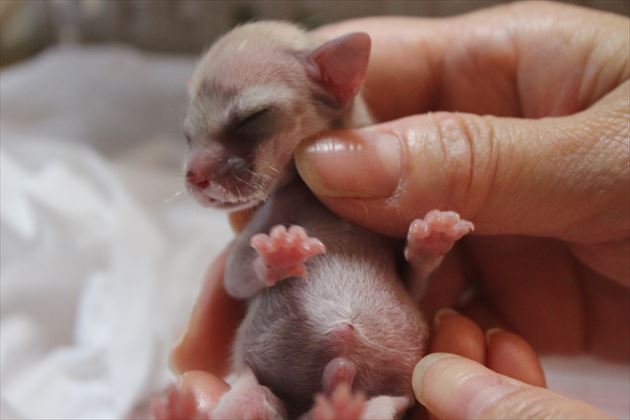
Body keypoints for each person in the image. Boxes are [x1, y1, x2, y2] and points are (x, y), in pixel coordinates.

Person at [165, 2, 629, 418]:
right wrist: (265, 265)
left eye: (251, 119)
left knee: (396, 399)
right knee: (245, 400)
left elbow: (407, 282)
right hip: (278, 374)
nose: (196, 170)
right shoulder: (281, 207)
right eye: (191, 137)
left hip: (382, 384)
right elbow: (235, 280)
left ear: (335, 80)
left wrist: (422, 254)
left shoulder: (378, 196)